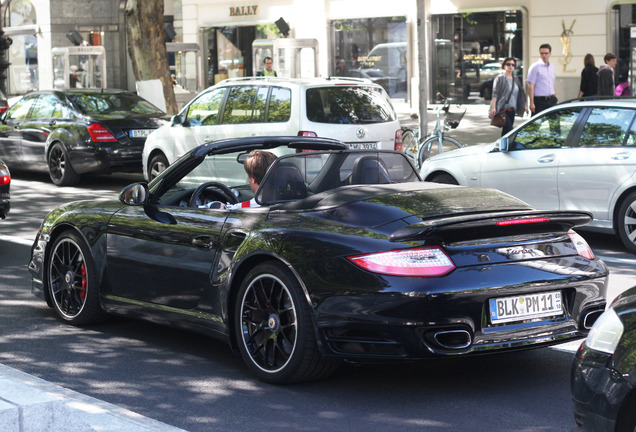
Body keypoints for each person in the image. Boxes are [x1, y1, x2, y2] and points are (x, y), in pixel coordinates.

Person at [489, 57, 527, 136]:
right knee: (510, 131)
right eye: (508, 64)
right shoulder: (500, 78)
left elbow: (520, 95)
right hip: (503, 109)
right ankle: (506, 146)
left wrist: (524, 106)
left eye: (513, 65)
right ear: (504, 66)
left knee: (506, 132)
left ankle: (502, 146)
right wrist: (493, 107)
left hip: (512, 110)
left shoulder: (516, 79)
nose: (511, 66)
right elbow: (495, 93)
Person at [526, 43, 557, 114]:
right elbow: (531, 86)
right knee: (537, 123)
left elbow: (553, 84)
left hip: (551, 100)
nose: (544, 55)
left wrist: (555, 97)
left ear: (550, 54)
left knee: (554, 123)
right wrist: (531, 103)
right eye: (542, 53)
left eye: (546, 53)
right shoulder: (535, 67)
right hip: (539, 101)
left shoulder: (552, 67)